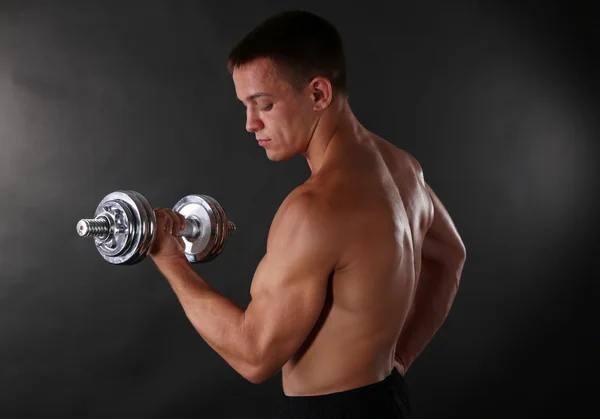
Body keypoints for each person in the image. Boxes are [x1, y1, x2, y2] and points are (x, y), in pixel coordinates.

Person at [148, 10, 466, 419]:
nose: (250, 123)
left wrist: (169, 258)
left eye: (264, 104)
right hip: (386, 401)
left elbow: (254, 355)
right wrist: (398, 361)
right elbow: (451, 257)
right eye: (245, 105)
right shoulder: (404, 168)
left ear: (318, 94)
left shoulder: (313, 209)